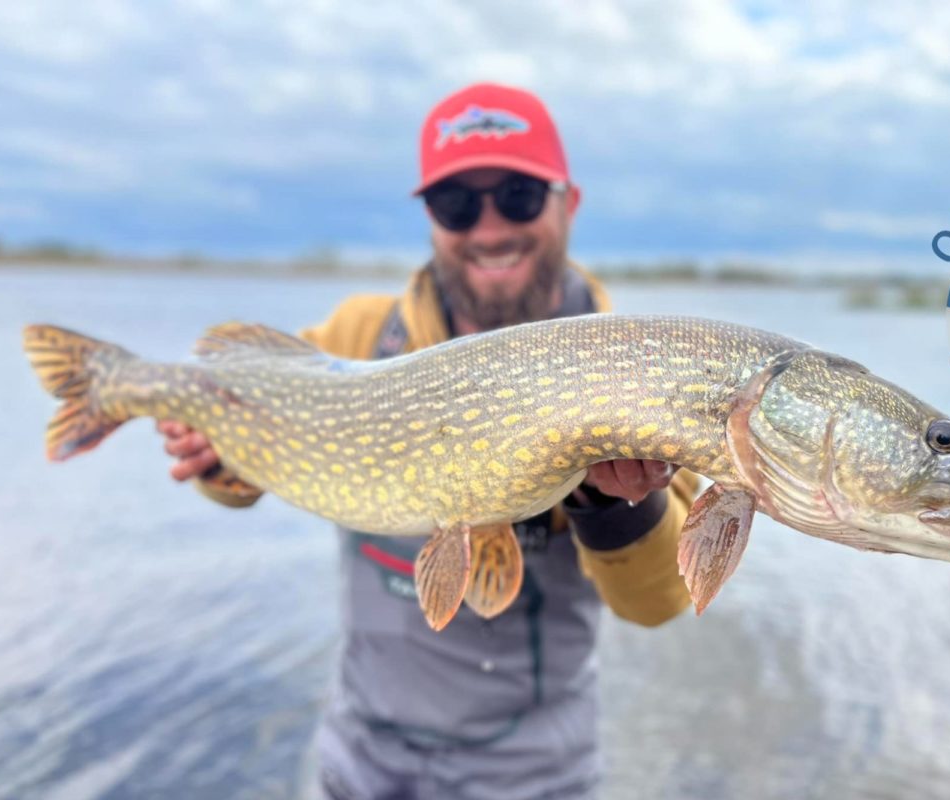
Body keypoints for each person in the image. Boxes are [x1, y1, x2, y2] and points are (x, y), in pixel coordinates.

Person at [157, 82, 697, 800]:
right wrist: (217, 461)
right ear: (430, 219)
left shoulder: (629, 364)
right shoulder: (359, 334)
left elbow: (657, 601)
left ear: (570, 202)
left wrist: (610, 500)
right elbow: (245, 466)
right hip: (361, 758)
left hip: (534, 774)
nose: (490, 227)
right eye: (457, 205)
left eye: (519, 196)